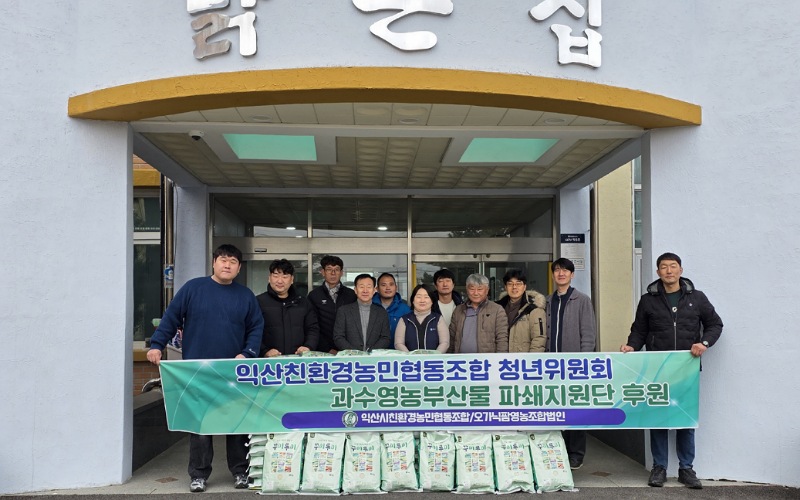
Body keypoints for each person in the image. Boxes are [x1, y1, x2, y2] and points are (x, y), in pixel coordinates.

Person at [146, 244, 263, 493]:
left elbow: (256, 327)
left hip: (232, 371)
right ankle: (198, 474)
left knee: (237, 422)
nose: (227, 265)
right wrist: (157, 345)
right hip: (198, 371)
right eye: (223, 259)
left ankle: (241, 472)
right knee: (201, 425)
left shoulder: (245, 296)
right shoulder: (193, 289)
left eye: (233, 261)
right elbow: (171, 318)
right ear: (214, 262)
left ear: (239, 268)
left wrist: (247, 353)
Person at [621, 252, 723, 489]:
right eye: (664, 267)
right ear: (658, 272)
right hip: (657, 369)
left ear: (681, 270)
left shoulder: (697, 298)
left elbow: (715, 324)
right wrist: (631, 346)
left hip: (687, 369)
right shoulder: (648, 300)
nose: (669, 271)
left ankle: (686, 469)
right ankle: (659, 468)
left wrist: (704, 343)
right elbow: (639, 330)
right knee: (658, 418)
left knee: (685, 418)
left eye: (673, 266)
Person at [546, 257, 596, 470]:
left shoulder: (581, 300)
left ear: (572, 275)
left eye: (565, 270)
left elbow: (588, 333)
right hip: (550, 367)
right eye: (557, 270)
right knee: (556, 408)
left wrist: (584, 361)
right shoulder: (547, 301)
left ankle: (576, 454)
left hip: (574, 366)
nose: (561, 273)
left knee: (574, 409)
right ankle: (558, 450)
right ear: (553, 275)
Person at [256, 259, 319, 357]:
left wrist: (308, 346)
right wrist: (264, 351)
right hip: (268, 361)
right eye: (276, 276)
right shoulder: (258, 302)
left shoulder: (303, 303)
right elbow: (251, 331)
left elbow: (313, 328)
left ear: (292, 279)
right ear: (269, 278)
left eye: (285, 276)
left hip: (298, 360)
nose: (280, 281)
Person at [308, 255, 357, 354]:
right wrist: (326, 348)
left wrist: (348, 348)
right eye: (329, 269)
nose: (333, 273)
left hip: (348, 350)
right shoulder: (314, 296)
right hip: (322, 351)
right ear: (323, 272)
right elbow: (312, 325)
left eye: (336, 269)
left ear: (341, 273)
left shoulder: (351, 295)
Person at [448, 273, 509, 353]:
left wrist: (500, 358)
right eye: (472, 289)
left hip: (486, 360)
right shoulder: (458, 310)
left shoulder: (497, 310)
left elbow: (502, 339)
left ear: (487, 290)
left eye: (480, 289)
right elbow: (452, 338)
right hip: (461, 359)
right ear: (467, 289)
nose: (476, 293)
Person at [332, 273, 391, 352]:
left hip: (374, 357)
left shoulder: (381, 312)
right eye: (361, 287)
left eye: (369, 287)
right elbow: (338, 337)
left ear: (374, 290)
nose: (365, 291)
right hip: (350, 357)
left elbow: (385, 338)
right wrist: (354, 353)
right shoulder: (343, 311)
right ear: (355, 290)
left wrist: (371, 353)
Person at [495, 269, 547, 353]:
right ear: (505, 287)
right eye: (510, 284)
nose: (514, 287)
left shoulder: (534, 309)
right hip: (501, 358)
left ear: (524, 287)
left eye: (518, 283)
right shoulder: (498, 307)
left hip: (523, 359)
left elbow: (539, 340)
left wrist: (532, 359)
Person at [394, 284, 449, 353]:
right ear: (413, 300)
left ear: (432, 301)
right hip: (410, 359)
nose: (422, 300)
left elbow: (445, 343)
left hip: (433, 359)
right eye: (418, 297)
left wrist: (434, 356)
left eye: (426, 297)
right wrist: (410, 356)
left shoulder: (438, 319)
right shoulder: (404, 320)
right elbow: (398, 343)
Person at [372, 272, 411, 342]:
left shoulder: (405, 310)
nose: (388, 288)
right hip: (374, 348)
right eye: (383, 285)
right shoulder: (370, 307)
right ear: (377, 289)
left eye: (391, 284)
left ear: (396, 287)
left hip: (398, 348)